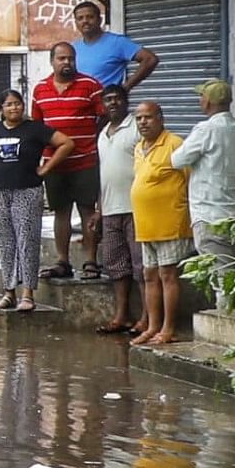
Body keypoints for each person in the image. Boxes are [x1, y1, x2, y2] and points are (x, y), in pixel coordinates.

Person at [0, 90, 59, 312]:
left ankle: (27, 294)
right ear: (1, 109)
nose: (14, 108)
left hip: (27, 189)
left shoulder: (34, 129)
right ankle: (9, 292)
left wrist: (46, 167)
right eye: (9, 104)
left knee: (27, 240)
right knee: (6, 242)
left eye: (17, 104)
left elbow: (65, 143)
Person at [29, 40, 106, 280]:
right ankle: (62, 261)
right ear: (52, 61)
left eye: (70, 58)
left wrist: (92, 142)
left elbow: (103, 117)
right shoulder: (40, 90)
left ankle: (90, 261)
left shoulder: (90, 85)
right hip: (54, 163)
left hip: (85, 161)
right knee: (61, 213)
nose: (67, 62)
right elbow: (37, 128)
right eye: (61, 58)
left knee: (87, 211)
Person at [127, 97, 193, 344]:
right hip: (145, 225)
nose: (143, 122)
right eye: (139, 118)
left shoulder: (175, 144)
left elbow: (189, 180)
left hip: (170, 223)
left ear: (160, 119)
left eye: (148, 117)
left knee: (168, 276)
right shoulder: (138, 147)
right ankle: (153, 327)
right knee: (149, 275)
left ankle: (168, 329)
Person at [174, 77, 235, 252]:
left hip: (209, 217)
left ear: (207, 102)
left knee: (218, 274)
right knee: (232, 270)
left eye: (201, 97)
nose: (200, 101)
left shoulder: (205, 130)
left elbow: (177, 160)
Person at [93, 83, 144, 335]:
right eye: (108, 100)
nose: (112, 103)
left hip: (136, 208)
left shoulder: (137, 127)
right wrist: (99, 208)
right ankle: (121, 315)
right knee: (116, 265)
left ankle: (147, 317)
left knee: (141, 265)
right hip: (110, 209)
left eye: (117, 99)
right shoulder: (103, 133)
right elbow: (104, 174)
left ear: (126, 101)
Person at [69, 0, 158, 101]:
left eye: (90, 17)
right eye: (80, 18)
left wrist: (125, 88)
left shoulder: (117, 42)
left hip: (108, 107)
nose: (85, 21)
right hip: (82, 106)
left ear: (100, 20)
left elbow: (150, 59)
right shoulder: (73, 48)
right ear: (76, 23)